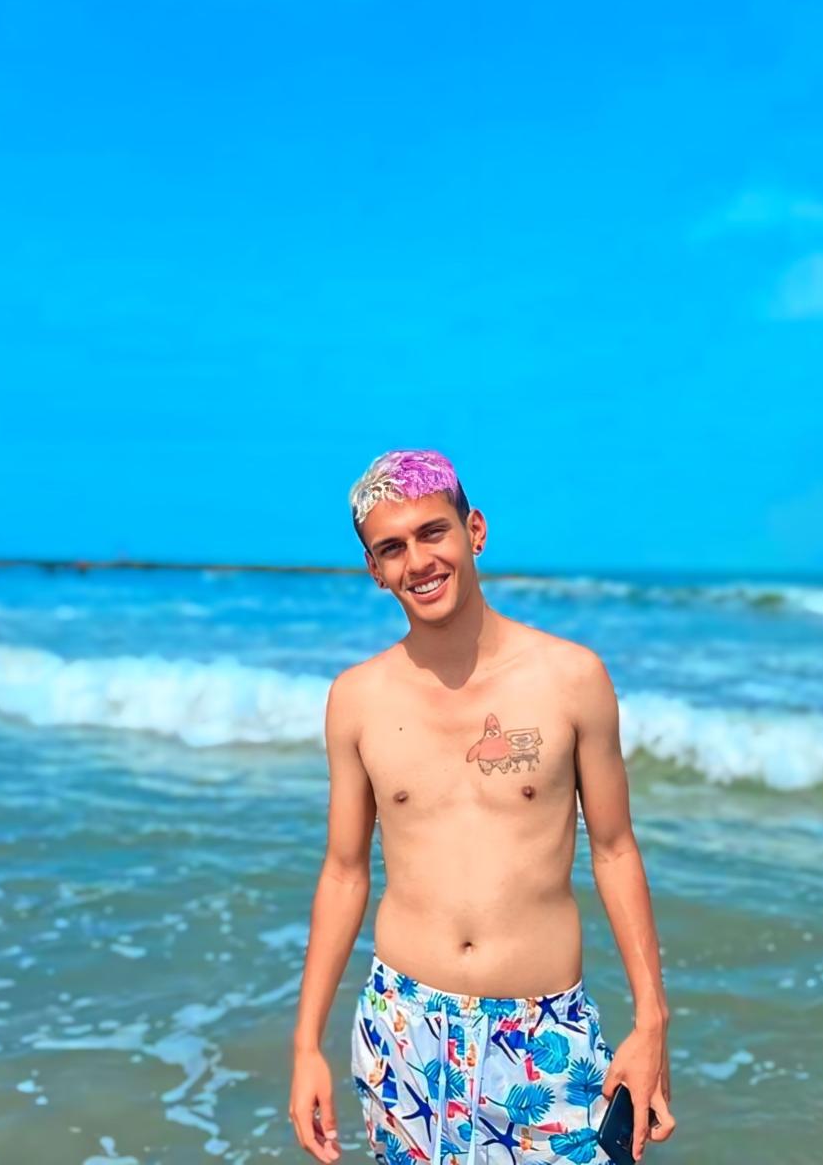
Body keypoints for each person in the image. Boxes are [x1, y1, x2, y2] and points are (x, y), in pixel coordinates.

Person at [289, 448, 676, 1165]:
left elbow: (616, 849)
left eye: (432, 532)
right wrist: (306, 1045)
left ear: (474, 531)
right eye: (392, 548)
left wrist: (652, 1023)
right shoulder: (357, 699)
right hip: (403, 1030)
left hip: (544, 1035)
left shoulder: (572, 679)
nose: (418, 561)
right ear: (374, 569)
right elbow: (344, 872)